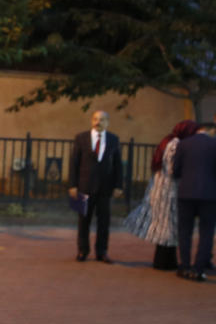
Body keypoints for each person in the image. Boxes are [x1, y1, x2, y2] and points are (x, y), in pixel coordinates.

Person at [124, 120, 198, 270]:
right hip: (168, 190)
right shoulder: (176, 144)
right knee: (168, 226)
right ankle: (165, 262)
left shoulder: (168, 141)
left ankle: (164, 261)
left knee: (164, 226)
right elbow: (172, 168)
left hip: (160, 188)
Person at [68, 110, 123, 263]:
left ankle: (102, 252)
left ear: (107, 122)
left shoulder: (113, 139)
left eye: (102, 119)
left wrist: (118, 185)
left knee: (104, 222)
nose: (98, 122)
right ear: (92, 121)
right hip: (83, 187)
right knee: (83, 221)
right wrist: (72, 184)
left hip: (105, 188)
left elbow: (118, 164)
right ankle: (82, 251)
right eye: (95, 119)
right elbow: (74, 162)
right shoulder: (81, 138)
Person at [173, 122, 216, 281]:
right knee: (207, 232)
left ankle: (184, 266)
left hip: (186, 193)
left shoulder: (184, 144)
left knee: (184, 231)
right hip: (209, 195)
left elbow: (175, 170)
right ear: (211, 130)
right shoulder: (214, 144)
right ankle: (198, 268)